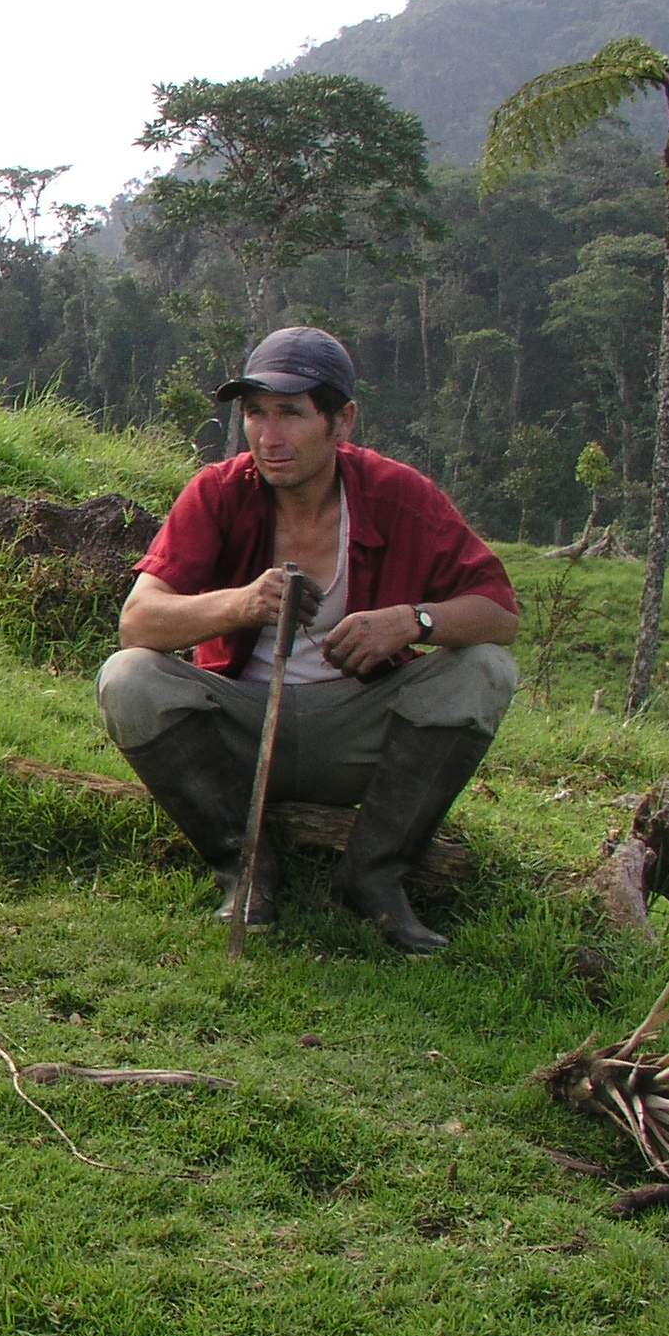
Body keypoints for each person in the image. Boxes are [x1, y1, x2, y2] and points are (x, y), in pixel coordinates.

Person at [98, 327, 520, 950]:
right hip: (239, 729)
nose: (270, 437)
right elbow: (138, 622)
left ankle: (372, 878)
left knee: (485, 668)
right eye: (256, 413)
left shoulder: (397, 494)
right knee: (128, 677)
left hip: (359, 730)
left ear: (341, 421)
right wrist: (242, 604)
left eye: (291, 413)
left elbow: (500, 614)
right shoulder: (218, 491)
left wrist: (411, 621)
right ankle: (245, 870)